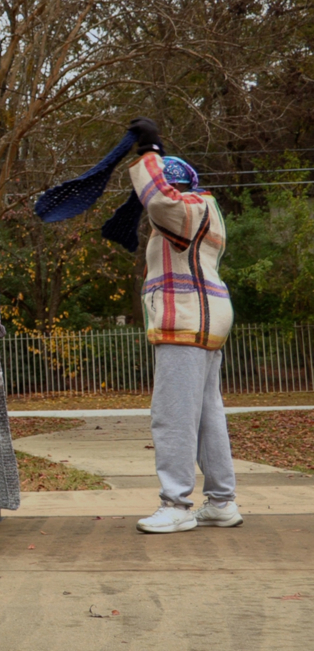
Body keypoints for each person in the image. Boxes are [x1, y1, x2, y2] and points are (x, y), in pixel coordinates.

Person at [125, 118, 243, 534]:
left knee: (171, 415)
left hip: (186, 320)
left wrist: (150, 151)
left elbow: (158, 200)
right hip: (205, 319)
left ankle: (175, 504)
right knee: (208, 414)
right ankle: (221, 502)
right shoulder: (203, 211)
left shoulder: (188, 209)